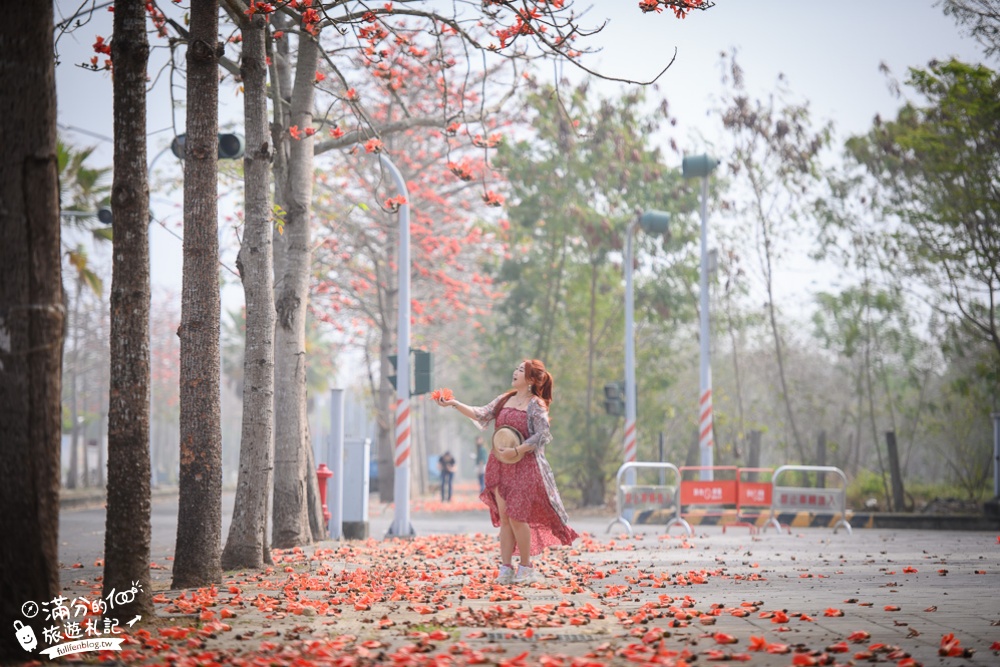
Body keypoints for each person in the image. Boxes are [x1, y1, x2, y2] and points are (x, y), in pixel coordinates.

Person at [435, 359, 578, 584]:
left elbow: (543, 434)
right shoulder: (505, 399)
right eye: (516, 368)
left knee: (517, 517)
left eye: (521, 370)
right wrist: (454, 403)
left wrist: (518, 449)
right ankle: (505, 568)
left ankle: (526, 567)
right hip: (500, 464)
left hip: (525, 466)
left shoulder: (535, 404)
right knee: (505, 518)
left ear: (531, 380)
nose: (515, 372)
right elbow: (480, 413)